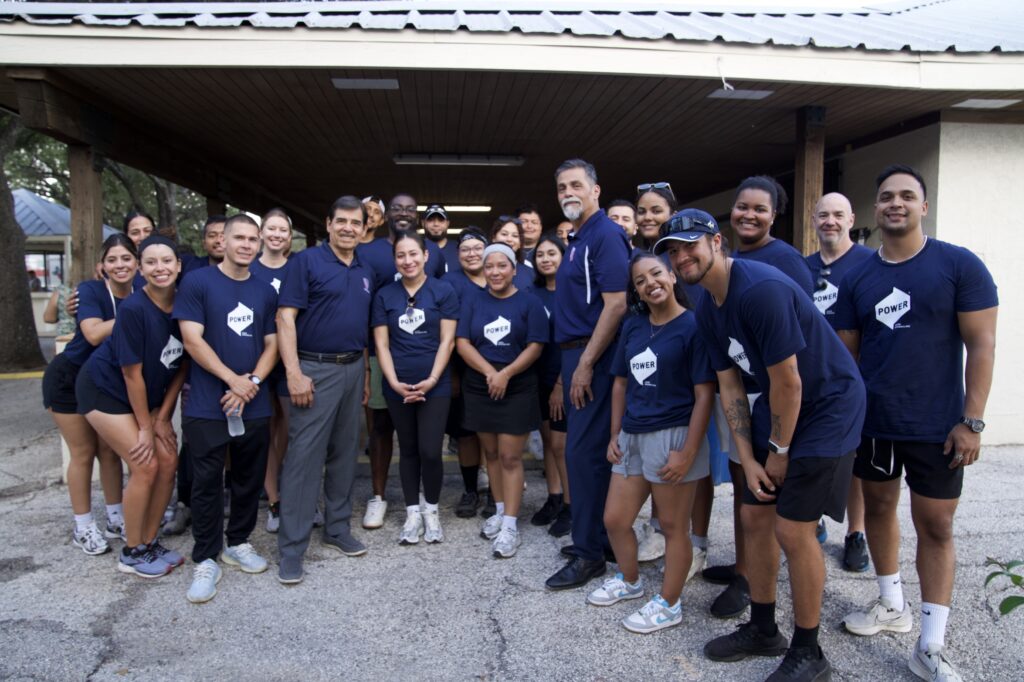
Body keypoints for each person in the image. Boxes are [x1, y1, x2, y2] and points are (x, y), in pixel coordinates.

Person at [658, 209, 866, 681]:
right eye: (672, 250)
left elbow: (789, 382)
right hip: (778, 404)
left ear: (717, 242)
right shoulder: (706, 304)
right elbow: (730, 385)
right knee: (753, 514)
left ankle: (810, 652)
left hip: (827, 404)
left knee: (793, 530)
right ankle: (762, 626)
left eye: (689, 245)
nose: (680, 256)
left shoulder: (759, 291)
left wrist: (778, 452)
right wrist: (749, 458)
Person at [836, 165, 997, 682]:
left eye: (907, 196)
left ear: (924, 206)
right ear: (875, 208)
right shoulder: (857, 275)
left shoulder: (958, 265)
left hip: (938, 425)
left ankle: (930, 644)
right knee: (879, 508)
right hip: (876, 424)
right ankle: (890, 606)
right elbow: (847, 357)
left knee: (937, 526)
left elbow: (982, 345)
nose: (896, 204)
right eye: (886, 197)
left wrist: (971, 421)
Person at [700, 175, 817, 619]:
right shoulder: (717, 257)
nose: (749, 215)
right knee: (741, 477)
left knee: (764, 489)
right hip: (735, 387)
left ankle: (752, 579)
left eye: (759, 209)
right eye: (742, 206)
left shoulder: (784, 261)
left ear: (774, 215)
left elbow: (802, 335)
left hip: (773, 392)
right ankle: (745, 564)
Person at [588, 251, 714, 633]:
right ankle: (630, 581)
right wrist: (614, 433)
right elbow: (620, 384)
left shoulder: (693, 326)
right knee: (615, 519)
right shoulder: (634, 325)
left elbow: (705, 394)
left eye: (656, 274)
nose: (649, 284)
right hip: (632, 435)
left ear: (673, 276)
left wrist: (689, 451)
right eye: (640, 281)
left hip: (673, 435)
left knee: (674, 527)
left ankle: (670, 603)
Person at [173, 214, 279, 603]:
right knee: (206, 482)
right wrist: (231, 379)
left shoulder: (265, 289)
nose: (247, 245)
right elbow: (191, 339)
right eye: (240, 238)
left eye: (254, 239)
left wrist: (250, 383)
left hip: (252, 403)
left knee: (249, 478)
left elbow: (272, 344)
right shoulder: (198, 282)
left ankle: (238, 542)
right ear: (223, 240)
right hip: (207, 402)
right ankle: (205, 557)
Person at [276, 195, 374, 584]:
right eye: (342, 221)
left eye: (356, 222)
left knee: (345, 453)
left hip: (352, 369)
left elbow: (362, 326)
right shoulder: (306, 262)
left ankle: (336, 529)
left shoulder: (365, 268)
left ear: (365, 228)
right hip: (314, 369)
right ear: (328, 224)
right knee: (303, 461)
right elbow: (285, 317)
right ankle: (292, 548)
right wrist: (294, 373)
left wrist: (365, 373)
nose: (349, 228)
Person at [78, 235, 188, 578]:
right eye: (151, 262)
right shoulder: (134, 309)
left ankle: (149, 541)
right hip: (106, 391)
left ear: (178, 266)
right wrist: (145, 426)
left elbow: (183, 364)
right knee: (146, 464)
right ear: (141, 269)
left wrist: (163, 417)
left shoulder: (185, 305)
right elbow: (131, 374)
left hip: (149, 399)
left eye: (166, 261)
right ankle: (132, 551)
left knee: (169, 459)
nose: (160, 268)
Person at [545, 159, 630, 591]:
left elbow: (616, 304)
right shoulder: (578, 237)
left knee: (582, 456)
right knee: (588, 456)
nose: (568, 192)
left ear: (596, 190)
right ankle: (596, 539)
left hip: (592, 358)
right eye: (562, 187)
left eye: (576, 184)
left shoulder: (606, 235)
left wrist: (583, 365)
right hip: (577, 357)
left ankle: (589, 554)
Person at [42, 234, 137, 555]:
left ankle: (115, 518)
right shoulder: (91, 290)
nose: (120, 265)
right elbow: (94, 334)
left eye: (126, 258)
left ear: (137, 263)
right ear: (102, 266)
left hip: (106, 383)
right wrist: (140, 308)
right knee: (82, 453)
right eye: (112, 260)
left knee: (110, 452)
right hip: (68, 378)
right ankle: (83, 527)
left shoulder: (139, 293)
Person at [357, 192, 445, 531]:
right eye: (397, 208)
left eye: (411, 208)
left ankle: (428, 505)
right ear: (385, 215)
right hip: (382, 355)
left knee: (425, 440)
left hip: (425, 356)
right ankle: (378, 497)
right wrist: (369, 367)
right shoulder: (368, 252)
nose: (404, 213)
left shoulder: (434, 253)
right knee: (381, 429)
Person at [456, 243, 547, 558]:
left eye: (502, 266)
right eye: (489, 266)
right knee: (491, 453)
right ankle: (498, 510)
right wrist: (490, 373)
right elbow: (463, 342)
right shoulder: (471, 300)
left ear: (513, 268)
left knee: (510, 456)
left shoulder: (529, 303)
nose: (495, 272)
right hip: (480, 386)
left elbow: (535, 345)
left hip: (518, 386)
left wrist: (505, 374)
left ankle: (510, 524)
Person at [373, 230, 459, 545]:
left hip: (435, 383)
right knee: (407, 450)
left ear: (425, 256)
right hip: (397, 384)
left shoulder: (443, 291)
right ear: (395, 260)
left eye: (413, 254)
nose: (407, 260)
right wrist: (394, 382)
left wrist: (434, 378)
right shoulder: (385, 295)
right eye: (401, 255)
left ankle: (431, 511)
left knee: (430, 450)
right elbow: (381, 345)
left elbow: (448, 340)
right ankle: (412, 512)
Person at [805, 192, 874, 573]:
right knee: (811, 456)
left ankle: (855, 533)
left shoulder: (869, 264)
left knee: (855, 462)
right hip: (811, 383)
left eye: (838, 215)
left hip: (854, 383)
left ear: (851, 219)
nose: (830, 221)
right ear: (814, 220)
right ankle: (812, 520)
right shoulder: (803, 267)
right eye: (823, 215)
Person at [249, 208, 294, 534]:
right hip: (257, 362)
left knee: (294, 430)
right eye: (272, 229)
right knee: (265, 431)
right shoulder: (247, 269)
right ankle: (274, 500)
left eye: (283, 230)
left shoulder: (298, 269)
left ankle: (297, 495)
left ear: (289, 236)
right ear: (262, 233)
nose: (277, 235)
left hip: (291, 362)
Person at [442, 229, 490, 518]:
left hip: (500, 368)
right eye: (465, 249)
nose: (472, 253)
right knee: (466, 433)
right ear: (457, 255)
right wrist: (452, 374)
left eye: (477, 247)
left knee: (495, 432)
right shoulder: (449, 283)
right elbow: (444, 333)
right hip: (462, 369)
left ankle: (497, 491)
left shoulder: (501, 276)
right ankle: (471, 490)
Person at [528, 235, 572, 537]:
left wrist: (560, 383)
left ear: (563, 256)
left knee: (561, 445)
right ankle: (554, 497)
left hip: (565, 377)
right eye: (540, 254)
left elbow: (572, 342)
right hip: (537, 378)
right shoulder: (532, 294)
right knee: (547, 442)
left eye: (551, 253)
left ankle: (571, 505)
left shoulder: (573, 293)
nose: (545, 259)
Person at [490, 216, 534, 292]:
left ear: (520, 242)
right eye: (504, 234)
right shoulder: (481, 267)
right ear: (494, 238)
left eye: (515, 236)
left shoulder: (531, 269)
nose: (509, 239)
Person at [635, 182, 677, 251]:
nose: (647, 217)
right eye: (641, 212)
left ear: (673, 216)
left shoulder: (682, 256)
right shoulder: (636, 258)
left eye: (656, 211)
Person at [422, 203, 459, 270]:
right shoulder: (416, 249)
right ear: (423, 223)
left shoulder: (460, 248)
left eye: (441, 220)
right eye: (430, 220)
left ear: (448, 223)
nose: (436, 224)